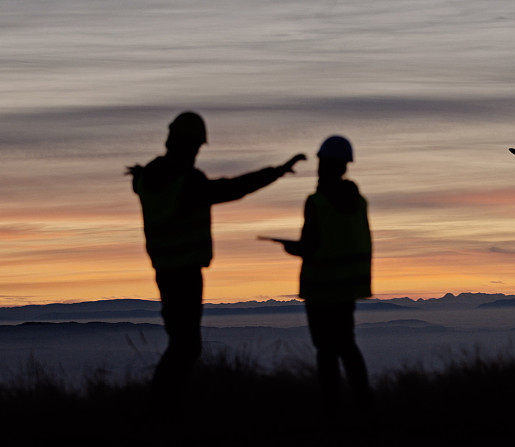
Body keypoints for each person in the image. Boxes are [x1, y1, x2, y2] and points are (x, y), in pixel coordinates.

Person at [128, 111, 305, 399]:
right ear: (187, 144)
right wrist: (276, 171)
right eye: (196, 146)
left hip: (166, 269)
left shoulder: (150, 177)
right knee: (186, 346)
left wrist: (139, 173)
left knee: (182, 343)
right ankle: (162, 409)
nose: (197, 153)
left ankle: (164, 408)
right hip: (183, 271)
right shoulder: (186, 181)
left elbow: (141, 183)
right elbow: (232, 188)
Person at [276, 135, 373, 412]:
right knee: (348, 347)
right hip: (346, 289)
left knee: (326, 352)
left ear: (324, 164)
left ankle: (332, 411)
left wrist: (290, 248)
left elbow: (311, 245)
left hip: (320, 289)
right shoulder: (359, 202)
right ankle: (364, 405)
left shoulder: (317, 202)